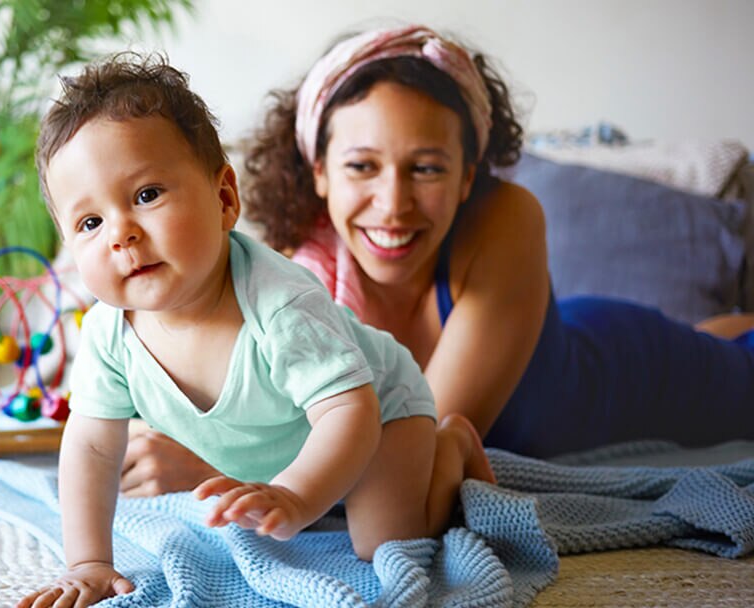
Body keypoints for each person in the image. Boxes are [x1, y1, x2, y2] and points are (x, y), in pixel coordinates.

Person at [119, 24, 754, 498]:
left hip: (628, 369)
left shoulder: (508, 219)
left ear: (467, 174)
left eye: (425, 168)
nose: (392, 205)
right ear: (318, 172)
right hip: (572, 335)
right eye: (361, 166)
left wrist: (217, 471)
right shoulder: (291, 283)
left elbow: (412, 450)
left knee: (736, 366)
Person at [18, 52, 494, 608]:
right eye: (89, 222)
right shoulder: (107, 334)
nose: (120, 234)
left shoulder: (280, 303)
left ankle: (450, 443)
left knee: (383, 539)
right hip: (288, 441)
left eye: (147, 195)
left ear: (224, 198)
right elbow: (92, 449)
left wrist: (294, 495)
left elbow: (350, 411)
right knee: (322, 505)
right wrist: (90, 563)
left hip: (380, 410)